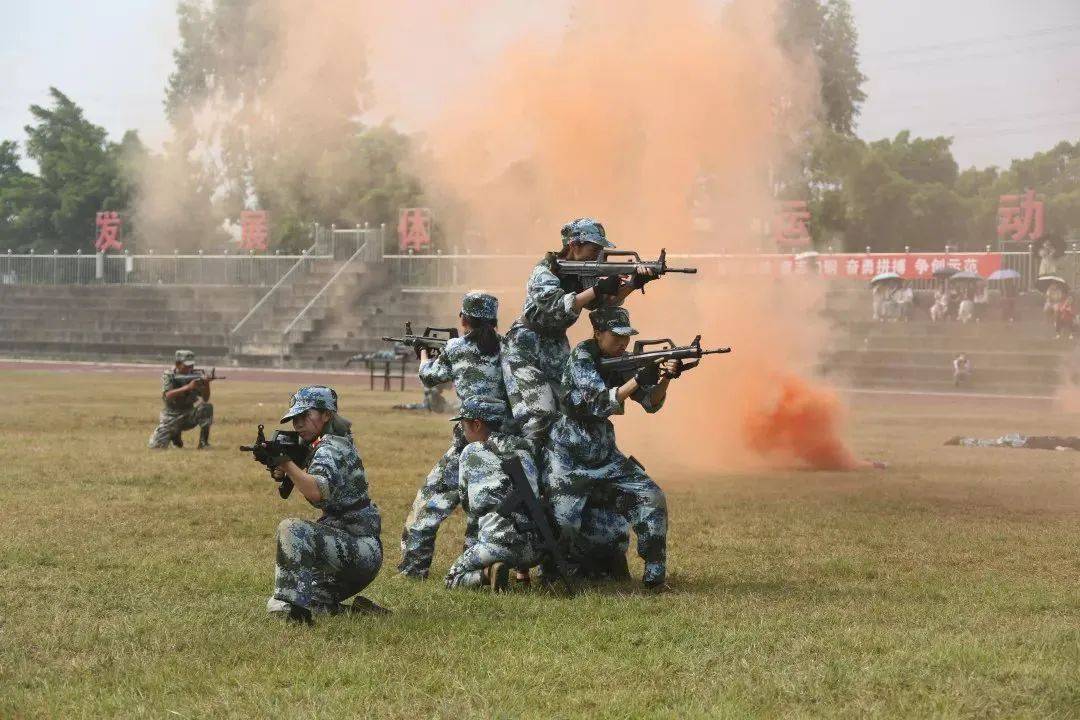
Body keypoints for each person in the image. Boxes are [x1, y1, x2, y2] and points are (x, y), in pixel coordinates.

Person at [543, 306, 679, 589]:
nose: (623, 343)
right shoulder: (582, 357)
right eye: (616, 336)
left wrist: (666, 376)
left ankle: (655, 577)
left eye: (626, 337)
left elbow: (651, 403)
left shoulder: (621, 361)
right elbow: (599, 402)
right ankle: (555, 575)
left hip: (605, 454)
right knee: (563, 520)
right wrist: (638, 379)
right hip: (569, 456)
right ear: (597, 333)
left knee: (651, 497)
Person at [501, 217, 653, 451]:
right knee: (540, 412)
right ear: (574, 245)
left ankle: (556, 466)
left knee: (568, 406)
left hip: (556, 343)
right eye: (594, 249)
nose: (598, 255)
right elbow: (554, 304)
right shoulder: (544, 271)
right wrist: (597, 288)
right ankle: (520, 459)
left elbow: (604, 303)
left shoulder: (584, 274)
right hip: (525, 345)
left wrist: (634, 282)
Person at [398, 292, 513, 579]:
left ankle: (413, 569)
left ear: (463, 318)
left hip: (469, 436)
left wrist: (423, 353)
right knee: (484, 502)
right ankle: (479, 566)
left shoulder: (455, 348)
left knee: (430, 502)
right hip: (506, 440)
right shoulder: (508, 348)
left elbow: (428, 377)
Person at [264, 386, 384, 623]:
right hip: (350, 547)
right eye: (294, 419)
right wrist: (286, 468)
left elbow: (316, 492)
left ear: (327, 415)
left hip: (360, 548)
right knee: (315, 601)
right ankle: (360, 612)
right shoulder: (324, 442)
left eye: (304, 416)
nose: (297, 424)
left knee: (292, 528)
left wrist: (286, 464)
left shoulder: (331, 448)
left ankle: (294, 613)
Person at [444, 396, 541, 591]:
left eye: (464, 426)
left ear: (477, 424)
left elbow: (468, 504)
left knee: (451, 579)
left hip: (498, 545)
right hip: (535, 549)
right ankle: (522, 575)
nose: (463, 432)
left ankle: (489, 573)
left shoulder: (471, 452)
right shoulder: (525, 448)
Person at [147, 349, 214, 449]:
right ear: (178, 364)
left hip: (189, 415)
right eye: (186, 365)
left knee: (207, 407)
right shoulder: (169, 375)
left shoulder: (196, 375)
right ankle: (175, 435)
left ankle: (203, 443)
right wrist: (188, 387)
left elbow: (205, 398)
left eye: (191, 365)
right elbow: (167, 395)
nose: (190, 368)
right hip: (171, 417)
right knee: (156, 446)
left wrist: (206, 384)